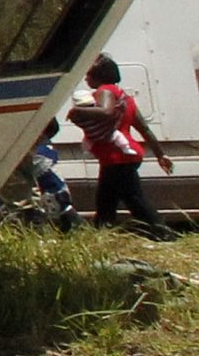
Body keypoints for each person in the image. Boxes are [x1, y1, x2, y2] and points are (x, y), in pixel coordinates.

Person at [72, 56, 175, 236]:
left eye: (88, 74)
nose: (86, 78)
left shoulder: (105, 91)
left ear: (99, 75)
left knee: (133, 199)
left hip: (117, 157)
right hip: (124, 156)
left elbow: (106, 111)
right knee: (107, 200)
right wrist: (160, 154)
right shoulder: (126, 98)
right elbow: (145, 129)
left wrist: (77, 110)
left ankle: (164, 233)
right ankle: (103, 234)